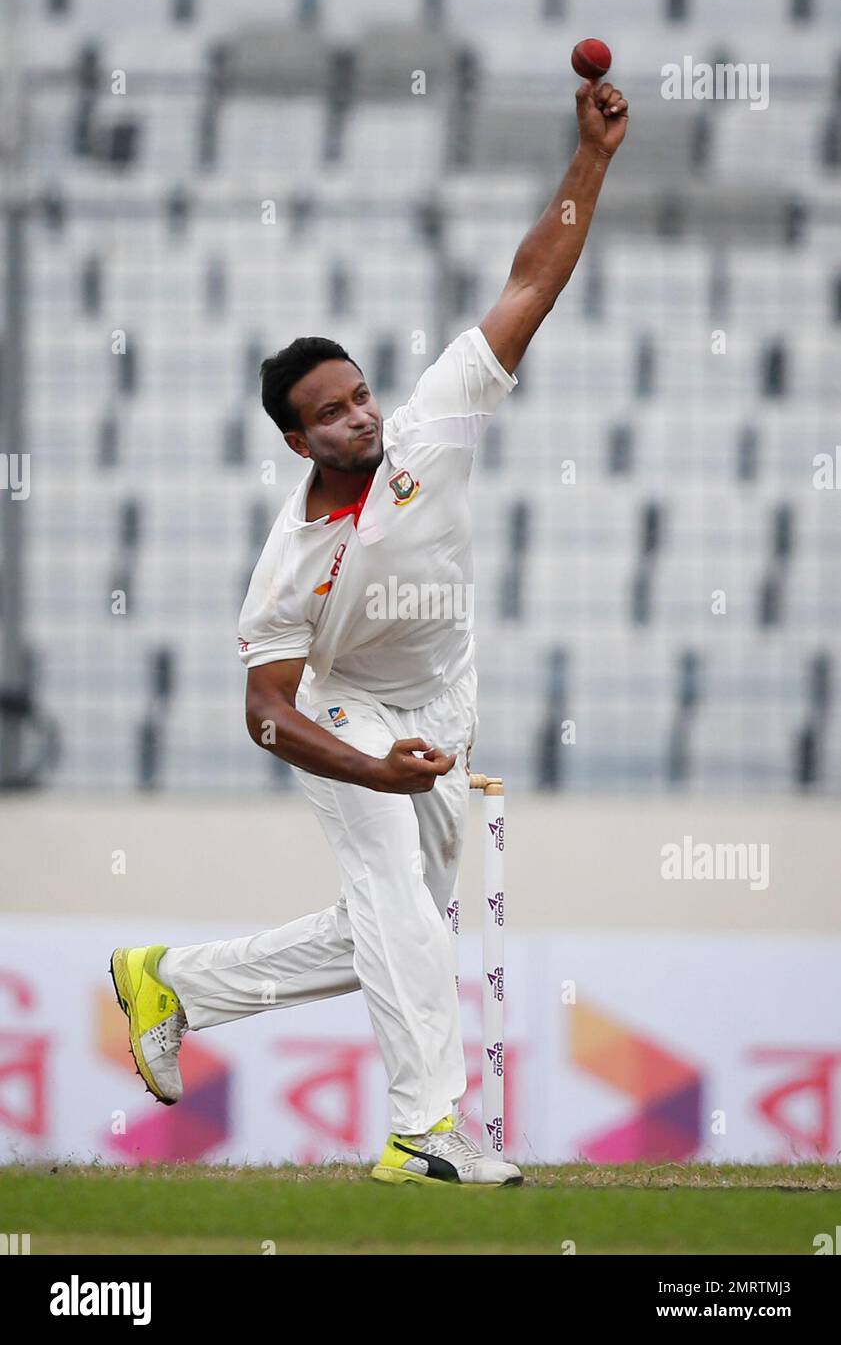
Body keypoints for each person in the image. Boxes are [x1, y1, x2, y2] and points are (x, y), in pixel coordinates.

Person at [110, 77, 629, 1187]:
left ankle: (177, 984)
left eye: (359, 394)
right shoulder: (287, 566)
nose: (360, 413)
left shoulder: (434, 422)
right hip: (343, 711)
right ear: (299, 443)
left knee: (392, 936)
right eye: (331, 412)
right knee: (398, 906)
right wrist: (371, 770)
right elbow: (266, 713)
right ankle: (422, 1134)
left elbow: (532, 276)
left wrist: (590, 159)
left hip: (443, 712)